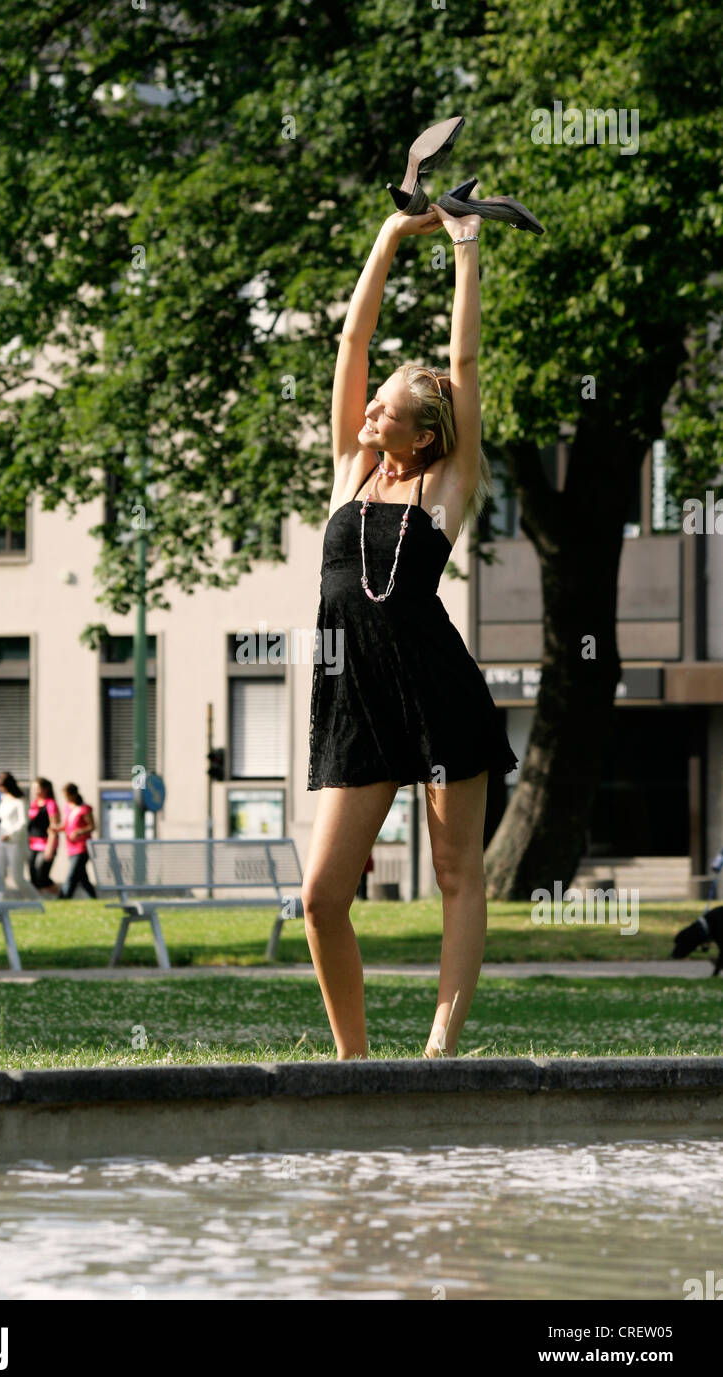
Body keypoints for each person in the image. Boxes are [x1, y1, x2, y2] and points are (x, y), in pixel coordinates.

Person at [304, 201, 518, 1061]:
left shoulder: (445, 488)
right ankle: (353, 1067)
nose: (368, 415)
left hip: (437, 695)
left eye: (386, 410)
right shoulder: (351, 469)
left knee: (455, 876)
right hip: (354, 696)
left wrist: (466, 250)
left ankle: (438, 1053)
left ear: (425, 434)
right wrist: (390, 239)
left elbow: (464, 363)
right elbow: (351, 347)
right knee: (322, 897)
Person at [0, 771, 35, 897]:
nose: (0, 789)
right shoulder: (3, 800)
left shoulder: (20, 801)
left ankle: (36, 900)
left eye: (2, 786)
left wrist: (10, 834)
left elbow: (23, 822)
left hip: (15, 842)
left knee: (17, 877)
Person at [57, 782, 97, 899]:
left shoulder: (84, 809)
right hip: (71, 847)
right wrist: (57, 829)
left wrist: (79, 831)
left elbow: (92, 826)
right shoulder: (68, 808)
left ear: (73, 794)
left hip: (82, 847)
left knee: (72, 875)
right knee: (82, 877)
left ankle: (63, 898)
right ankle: (93, 897)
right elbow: (67, 825)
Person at [28, 777, 61, 895]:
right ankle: (39, 899)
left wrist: (50, 848)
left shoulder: (51, 804)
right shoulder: (33, 804)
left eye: (37, 788)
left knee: (42, 874)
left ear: (45, 789)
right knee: (33, 876)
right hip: (32, 843)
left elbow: (54, 827)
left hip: (46, 843)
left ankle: (61, 895)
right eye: (33, 789)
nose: (35, 791)